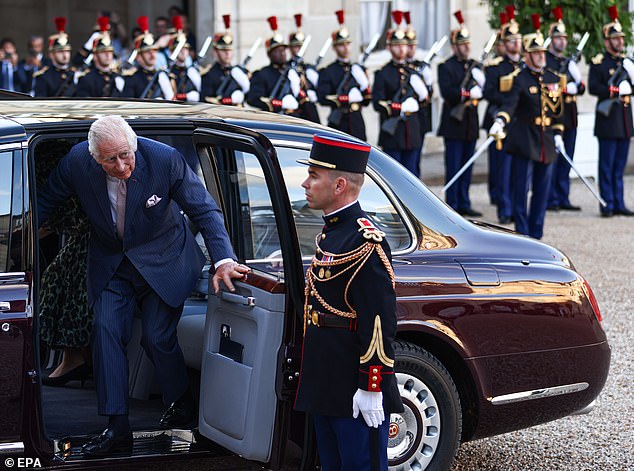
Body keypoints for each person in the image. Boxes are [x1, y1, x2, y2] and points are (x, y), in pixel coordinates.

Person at [37, 116, 250, 457]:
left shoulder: (164, 159)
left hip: (165, 259)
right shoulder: (76, 161)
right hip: (112, 263)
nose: (121, 166)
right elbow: (43, 203)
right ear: (94, 157)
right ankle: (116, 426)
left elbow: (205, 211)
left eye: (126, 155)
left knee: (156, 337)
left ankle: (181, 403)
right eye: (110, 160)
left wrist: (224, 258)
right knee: (105, 330)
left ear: (134, 145)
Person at [294, 134, 403, 470]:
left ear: (339, 184)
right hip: (326, 381)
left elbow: (380, 321)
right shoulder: (331, 234)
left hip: (353, 387)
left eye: (314, 175)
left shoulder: (366, 241)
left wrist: (372, 385)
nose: (305, 183)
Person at [489, 15, 565, 239]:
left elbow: (557, 110)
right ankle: (523, 233)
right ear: (527, 56)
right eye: (536, 53)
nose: (541, 56)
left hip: (546, 140)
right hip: (524, 138)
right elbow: (509, 104)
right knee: (521, 190)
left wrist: (559, 133)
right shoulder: (520, 79)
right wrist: (500, 120)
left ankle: (537, 233)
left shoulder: (552, 77)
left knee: (542, 191)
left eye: (542, 52)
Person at [36, 140, 92, 387]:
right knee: (56, 274)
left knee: (61, 276)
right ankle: (74, 358)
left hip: (94, 233)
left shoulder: (57, 165)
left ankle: (75, 358)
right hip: (80, 228)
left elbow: (47, 216)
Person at [588, 5, 634, 217]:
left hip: (624, 120)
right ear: (607, 41)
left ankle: (619, 202)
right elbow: (594, 87)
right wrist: (614, 90)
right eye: (615, 39)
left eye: (621, 38)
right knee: (606, 167)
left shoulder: (627, 63)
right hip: (608, 120)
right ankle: (607, 204)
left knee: (619, 167)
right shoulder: (599, 63)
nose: (619, 42)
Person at [437, 11, 484, 217]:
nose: (466, 47)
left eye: (468, 43)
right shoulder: (445, 67)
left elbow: (486, 90)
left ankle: (464, 202)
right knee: (454, 166)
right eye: (462, 44)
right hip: (454, 124)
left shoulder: (475, 66)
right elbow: (447, 92)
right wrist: (466, 92)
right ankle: (452, 205)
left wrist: (480, 83)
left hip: (470, 124)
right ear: (454, 46)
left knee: (467, 166)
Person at [372, 11, 425, 177]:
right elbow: (377, 102)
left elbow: (424, 100)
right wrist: (399, 107)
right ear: (389, 47)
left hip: (412, 132)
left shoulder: (414, 72)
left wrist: (424, 92)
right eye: (396, 45)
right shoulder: (383, 73)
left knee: (412, 176)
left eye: (404, 45)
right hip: (393, 134)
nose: (401, 48)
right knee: (393, 177)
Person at [482, 7, 522, 224]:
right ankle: (504, 209)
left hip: (520, 124)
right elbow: (488, 92)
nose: (515, 44)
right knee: (503, 169)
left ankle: (518, 207)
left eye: (517, 40)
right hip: (501, 121)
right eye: (510, 40)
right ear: (503, 44)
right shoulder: (495, 67)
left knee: (520, 170)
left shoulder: (526, 66)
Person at [546, 7, 585, 212]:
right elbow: (548, 85)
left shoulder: (568, 62)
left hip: (570, 115)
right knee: (554, 158)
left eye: (564, 38)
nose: (562, 41)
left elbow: (582, 88)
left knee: (567, 157)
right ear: (551, 40)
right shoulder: (547, 61)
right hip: (555, 114)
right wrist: (563, 87)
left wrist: (576, 82)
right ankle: (550, 198)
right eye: (558, 38)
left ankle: (563, 196)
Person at [317, 10, 371, 140]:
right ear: (334, 48)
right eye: (341, 45)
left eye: (348, 44)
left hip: (357, 122)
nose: (346, 48)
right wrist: (344, 98)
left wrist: (365, 87)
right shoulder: (328, 71)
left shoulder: (358, 69)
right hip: (339, 123)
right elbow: (322, 97)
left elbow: (367, 99)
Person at [247, 16, 298, 115]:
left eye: (283, 50)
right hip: (275, 118)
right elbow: (254, 98)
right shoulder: (262, 74)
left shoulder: (293, 71)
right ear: (269, 54)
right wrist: (280, 104)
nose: (282, 53)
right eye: (277, 51)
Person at [404, 11, 433, 176]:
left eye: (414, 45)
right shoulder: (402, 69)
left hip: (419, 119)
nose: (412, 48)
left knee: (416, 162)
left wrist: (428, 82)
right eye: (409, 45)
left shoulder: (420, 66)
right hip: (402, 119)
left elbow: (428, 96)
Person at [200, 14, 250, 106]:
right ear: (215, 52)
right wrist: (228, 100)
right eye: (223, 50)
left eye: (229, 50)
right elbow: (206, 101)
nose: (227, 54)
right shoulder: (209, 75)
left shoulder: (240, 72)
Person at [122, 16, 173, 99]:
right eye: (147, 52)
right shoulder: (132, 78)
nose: (152, 54)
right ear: (139, 57)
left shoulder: (162, 75)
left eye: (154, 50)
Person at [75, 16, 125, 98]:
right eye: (103, 52)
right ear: (95, 56)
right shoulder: (86, 79)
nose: (108, 55)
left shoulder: (117, 77)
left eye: (110, 52)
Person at [287, 13, 320, 123]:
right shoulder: (286, 69)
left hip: (310, 111)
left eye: (301, 46)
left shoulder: (308, 68)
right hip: (294, 113)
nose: (299, 49)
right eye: (296, 46)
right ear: (290, 48)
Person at [33, 17, 77, 97]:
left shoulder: (76, 74)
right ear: (51, 54)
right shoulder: (44, 76)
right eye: (60, 52)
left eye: (67, 51)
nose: (65, 55)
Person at [167, 15, 200, 102]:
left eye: (185, 48)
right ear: (172, 51)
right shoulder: (169, 72)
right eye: (179, 48)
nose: (183, 51)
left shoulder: (192, 71)